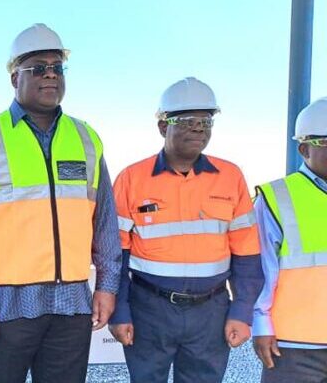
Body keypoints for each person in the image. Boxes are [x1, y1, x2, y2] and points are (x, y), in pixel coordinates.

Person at [0, 23, 121, 383]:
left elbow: (104, 220)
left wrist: (106, 286)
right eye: (38, 68)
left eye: (57, 68)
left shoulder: (86, 139)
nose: (50, 76)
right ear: (15, 78)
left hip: (72, 303)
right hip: (6, 306)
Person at [109, 77, 263, 383]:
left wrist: (242, 311)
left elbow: (246, 254)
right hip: (149, 311)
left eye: (206, 121)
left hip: (211, 312)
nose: (199, 129)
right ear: (163, 127)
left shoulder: (230, 177)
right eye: (188, 120)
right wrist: (120, 312)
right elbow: (116, 256)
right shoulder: (131, 179)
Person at [253, 97, 327, 383]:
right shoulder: (276, 197)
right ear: (304, 148)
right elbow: (260, 269)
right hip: (293, 346)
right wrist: (261, 324)